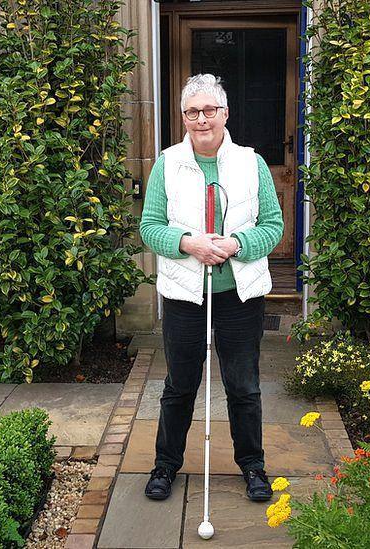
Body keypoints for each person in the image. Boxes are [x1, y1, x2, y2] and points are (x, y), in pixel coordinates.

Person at [139, 74, 284, 502]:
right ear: (183, 117)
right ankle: (165, 465)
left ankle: (253, 466)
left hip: (240, 295)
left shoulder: (251, 162)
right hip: (186, 294)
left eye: (209, 110)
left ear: (224, 113)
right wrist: (188, 243)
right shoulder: (166, 163)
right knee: (180, 385)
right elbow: (150, 227)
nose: (201, 119)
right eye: (191, 112)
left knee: (243, 385)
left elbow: (272, 227)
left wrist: (238, 244)